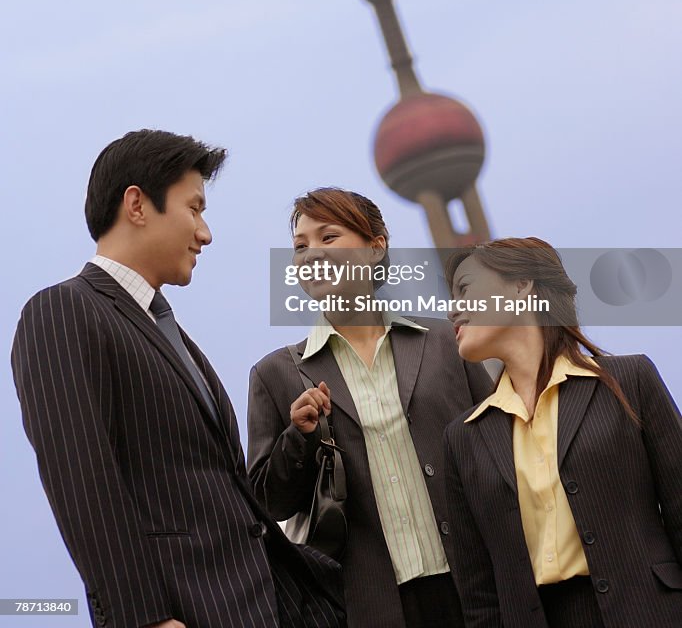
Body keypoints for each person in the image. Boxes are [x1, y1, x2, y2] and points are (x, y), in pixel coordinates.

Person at [12, 130, 345, 628]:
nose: (205, 232)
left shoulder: (168, 331)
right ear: (137, 204)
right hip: (186, 609)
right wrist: (143, 618)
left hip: (265, 602)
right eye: (195, 208)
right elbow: (82, 478)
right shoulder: (63, 310)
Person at [247, 188, 492, 628]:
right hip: (367, 603)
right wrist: (297, 437)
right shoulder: (276, 374)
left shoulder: (445, 343)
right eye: (300, 246)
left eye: (328, 237)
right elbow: (267, 501)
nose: (311, 254)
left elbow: (500, 450)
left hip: (476, 585)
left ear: (376, 247)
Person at [443, 236, 682, 628]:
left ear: (522, 286)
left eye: (465, 289)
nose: (453, 311)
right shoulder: (463, 437)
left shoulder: (629, 381)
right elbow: (479, 593)